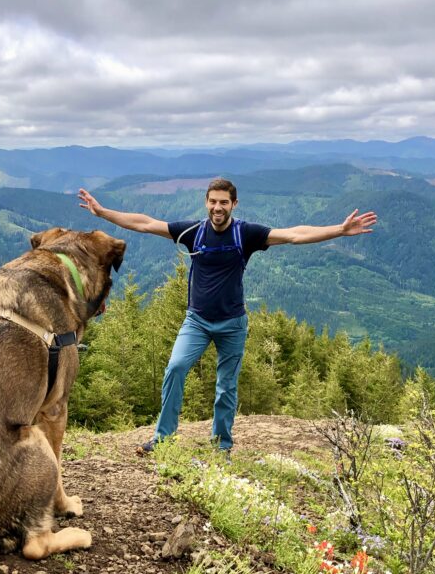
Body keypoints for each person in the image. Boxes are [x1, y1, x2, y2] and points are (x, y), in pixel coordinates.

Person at [78, 177, 377, 453]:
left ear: (234, 204)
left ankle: (221, 446)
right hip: (196, 321)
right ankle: (163, 438)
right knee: (175, 369)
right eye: (213, 201)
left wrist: (339, 229)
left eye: (224, 202)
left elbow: (294, 235)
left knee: (226, 387)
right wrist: (103, 213)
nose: (217, 207)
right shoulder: (192, 232)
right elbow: (144, 223)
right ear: (206, 202)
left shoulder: (245, 234)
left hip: (233, 324)